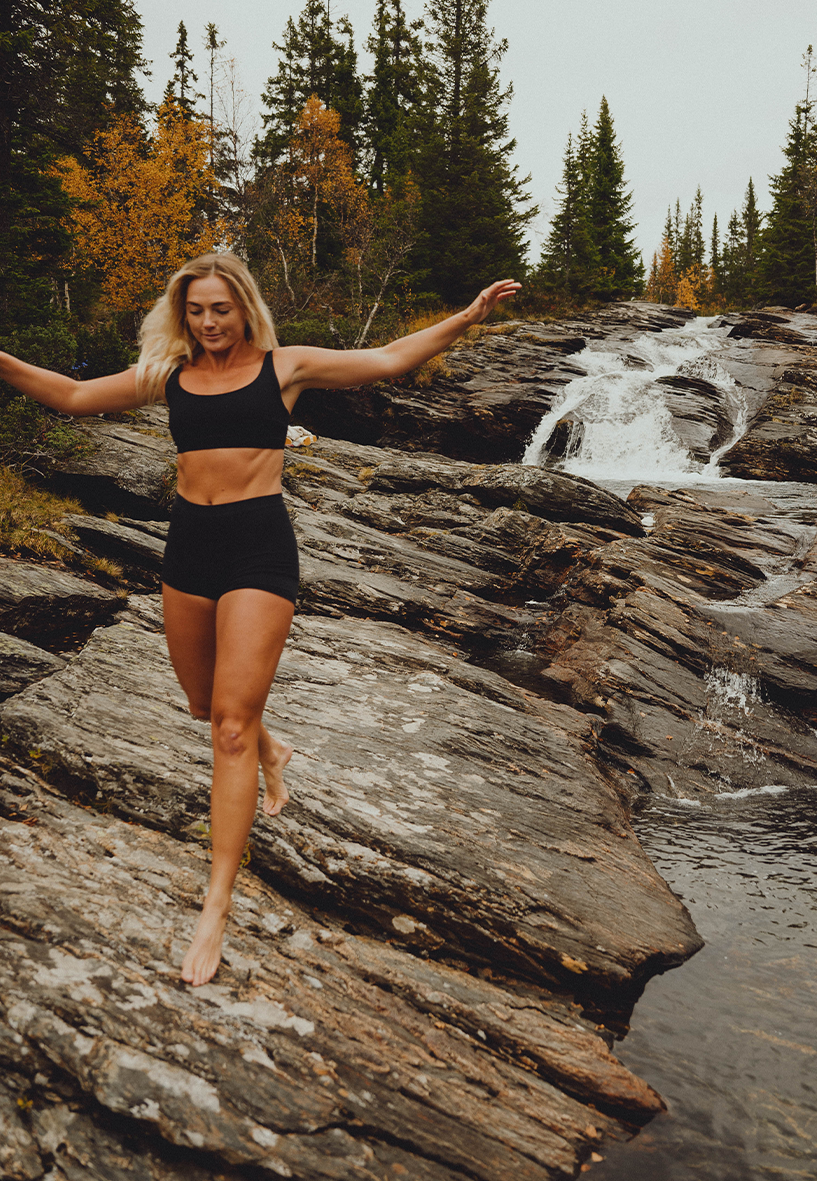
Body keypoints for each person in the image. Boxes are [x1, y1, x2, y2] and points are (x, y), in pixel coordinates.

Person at [0, 253, 521, 986]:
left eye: (221, 309)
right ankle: (273, 752)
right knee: (202, 704)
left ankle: (215, 906)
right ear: (184, 315)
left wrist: (465, 319)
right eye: (197, 311)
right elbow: (74, 395)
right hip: (188, 547)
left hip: (258, 549)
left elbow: (389, 358)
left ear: (244, 308)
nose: (209, 322)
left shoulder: (286, 368)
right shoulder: (168, 376)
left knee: (229, 727)